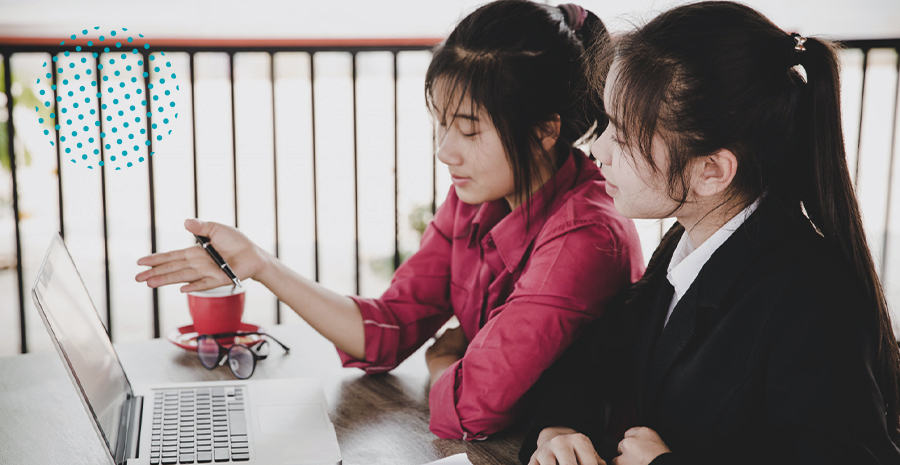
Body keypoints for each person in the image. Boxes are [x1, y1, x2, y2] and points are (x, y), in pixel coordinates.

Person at [135, 0, 644, 440]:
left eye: (468, 131)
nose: (445, 152)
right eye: (441, 125)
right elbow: (388, 328)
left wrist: (443, 363)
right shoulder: (476, 199)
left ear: (543, 131)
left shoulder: (585, 235)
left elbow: (470, 410)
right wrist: (261, 264)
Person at [520, 1, 900, 464]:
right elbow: (596, 360)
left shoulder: (811, 299)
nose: (598, 148)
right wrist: (558, 430)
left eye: (622, 134)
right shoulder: (688, 244)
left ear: (710, 171)